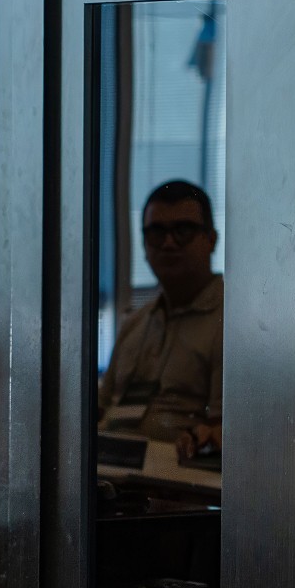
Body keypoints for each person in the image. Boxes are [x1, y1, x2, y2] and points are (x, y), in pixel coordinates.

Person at [99, 179, 223, 461]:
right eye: (156, 232)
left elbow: (223, 430)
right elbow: (101, 406)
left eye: (183, 231)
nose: (168, 243)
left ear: (211, 240)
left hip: (178, 478)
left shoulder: (230, 324)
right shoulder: (135, 323)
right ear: (144, 245)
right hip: (109, 469)